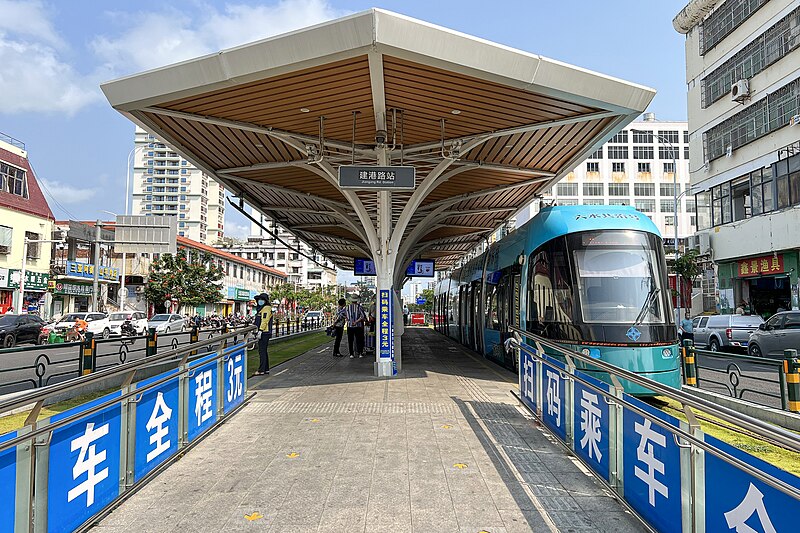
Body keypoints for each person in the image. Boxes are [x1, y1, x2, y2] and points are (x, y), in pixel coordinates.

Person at [254, 293, 273, 375]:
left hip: (264, 333)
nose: (260, 301)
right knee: (264, 351)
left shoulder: (266, 309)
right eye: (259, 299)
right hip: (263, 332)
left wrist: (260, 331)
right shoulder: (263, 308)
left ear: (265, 301)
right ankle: (266, 369)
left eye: (262, 299)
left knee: (262, 351)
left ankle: (261, 370)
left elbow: (264, 320)